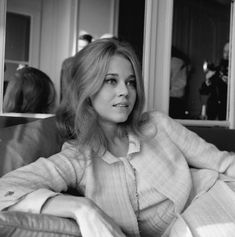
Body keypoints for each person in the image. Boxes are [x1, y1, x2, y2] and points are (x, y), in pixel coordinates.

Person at [1, 38, 235, 237]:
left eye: (130, 82)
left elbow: (224, 163)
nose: (125, 91)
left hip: (216, 197)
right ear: (87, 88)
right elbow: (5, 190)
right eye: (111, 80)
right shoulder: (78, 158)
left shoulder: (156, 125)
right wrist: (81, 208)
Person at [199, 42, 229, 120]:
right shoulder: (217, 70)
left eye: (229, 52)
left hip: (227, 109)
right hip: (213, 108)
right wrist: (207, 80)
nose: (226, 54)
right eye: (225, 51)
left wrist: (229, 83)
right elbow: (203, 91)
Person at [60, 33, 93, 100]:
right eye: (79, 46)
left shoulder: (94, 63)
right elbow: (64, 88)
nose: (80, 50)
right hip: (70, 102)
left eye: (83, 47)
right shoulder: (68, 63)